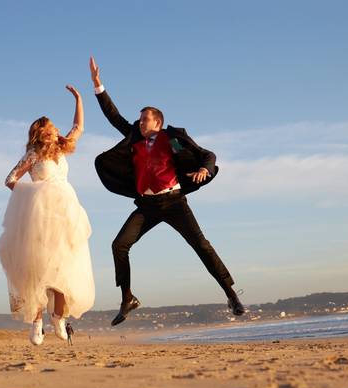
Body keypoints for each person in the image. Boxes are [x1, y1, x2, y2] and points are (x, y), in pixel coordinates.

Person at [88, 56, 244, 326]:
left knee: (201, 245)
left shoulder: (172, 138)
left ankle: (231, 294)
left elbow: (207, 154)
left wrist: (205, 169)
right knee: (119, 245)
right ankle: (127, 298)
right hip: (147, 205)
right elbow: (114, 117)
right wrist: (98, 86)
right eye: (139, 120)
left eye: (145, 120)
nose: (140, 123)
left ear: (157, 122)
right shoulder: (134, 138)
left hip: (174, 202)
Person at [0, 85, 95, 345]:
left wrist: (79, 99)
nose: (55, 131)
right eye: (51, 128)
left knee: (65, 268)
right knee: (37, 270)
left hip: (65, 214)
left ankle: (58, 318)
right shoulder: (32, 155)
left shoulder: (62, 149)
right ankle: (37, 322)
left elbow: (78, 127)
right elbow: (10, 179)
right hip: (39, 218)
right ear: (42, 133)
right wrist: (34, 195)